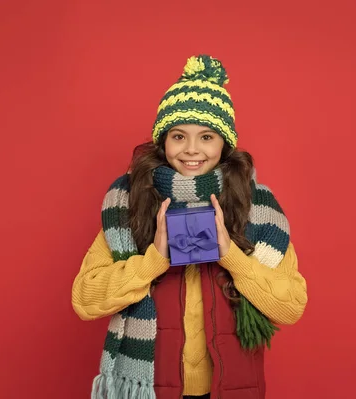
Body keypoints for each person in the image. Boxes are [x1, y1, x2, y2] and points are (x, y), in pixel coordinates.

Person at [72, 54, 308, 399]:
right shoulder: (128, 202)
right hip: (149, 388)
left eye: (207, 137)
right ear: (163, 142)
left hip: (228, 387)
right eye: (179, 136)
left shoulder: (256, 206)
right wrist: (152, 260)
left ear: (224, 144)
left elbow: (291, 306)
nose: (192, 150)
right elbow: (85, 299)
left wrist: (232, 257)